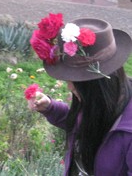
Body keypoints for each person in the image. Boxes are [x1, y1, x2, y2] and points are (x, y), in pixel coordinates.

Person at [28, 13, 132, 176]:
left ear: (97, 85)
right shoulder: (104, 101)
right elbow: (83, 124)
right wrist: (51, 107)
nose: (70, 87)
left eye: (75, 81)